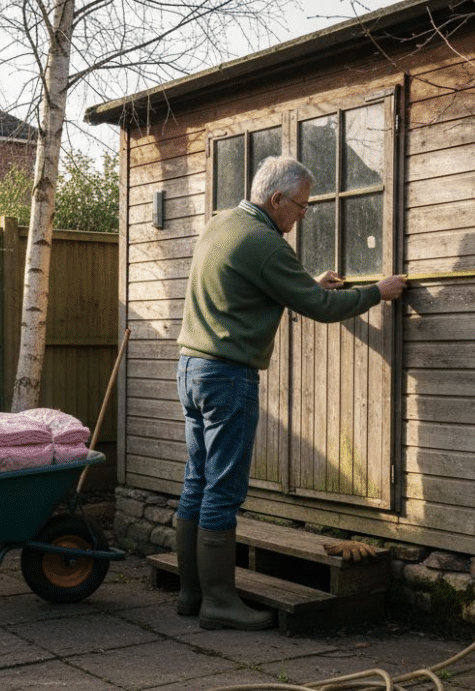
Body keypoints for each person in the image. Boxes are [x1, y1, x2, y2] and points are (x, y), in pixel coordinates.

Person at [174, 155, 406, 631]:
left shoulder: (223, 223)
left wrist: (305, 283)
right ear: (276, 199)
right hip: (227, 376)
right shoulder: (264, 242)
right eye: (300, 206)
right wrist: (376, 293)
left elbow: (252, 288)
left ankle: (190, 594)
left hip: (192, 369)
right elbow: (318, 306)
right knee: (223, 488)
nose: (303, 215)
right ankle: (219, 603)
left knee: (197, 482)